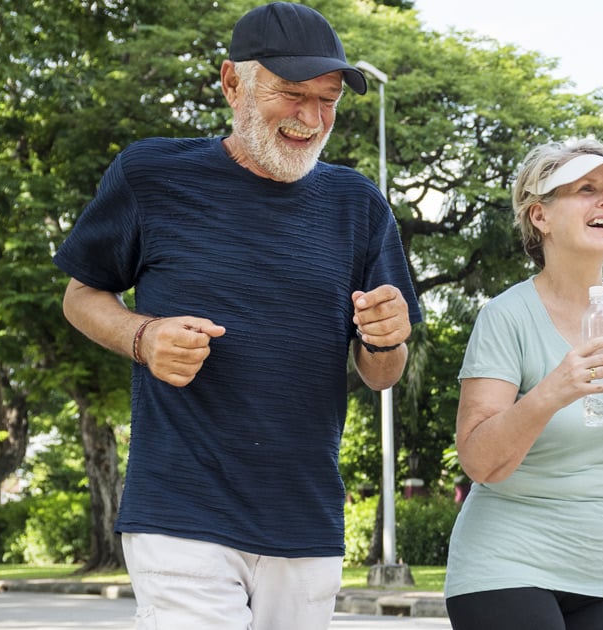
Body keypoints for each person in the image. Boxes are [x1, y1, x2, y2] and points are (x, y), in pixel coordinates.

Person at [51, 3, 421, 629]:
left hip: (304, 518)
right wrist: (143, 337)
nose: (312, 118)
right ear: (232, 83)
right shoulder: (151, 175)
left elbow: (382, 373)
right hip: (181, 509)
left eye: (327, 100)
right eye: (292, 95)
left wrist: (387, 340)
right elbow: (80, 297)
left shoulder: (357, 203)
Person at [444, 138, 603, 630]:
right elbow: (477, 459)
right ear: (541, 216)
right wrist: (551, 392)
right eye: (587, 189)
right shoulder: (505, 316)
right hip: (504, 565)